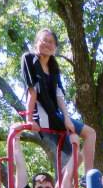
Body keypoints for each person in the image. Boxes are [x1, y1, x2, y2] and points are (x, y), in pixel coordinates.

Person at [22, 28, 96, 179]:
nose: (47, 44)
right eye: (44, 40)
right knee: (76, 151)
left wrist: (67, 118)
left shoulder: (53, 66)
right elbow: (32, 91)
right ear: (37, 43)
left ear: (55, 48)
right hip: (42, 118)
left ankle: (87, 180)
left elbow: (59, 95)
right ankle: (82, 181)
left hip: (56, 116)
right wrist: (29, 119)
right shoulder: (29, 59)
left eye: (51, 42)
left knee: (85, 140)